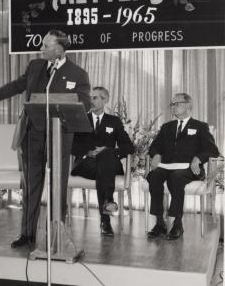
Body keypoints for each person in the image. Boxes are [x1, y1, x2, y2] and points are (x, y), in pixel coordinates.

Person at [0, 30, 91, 248]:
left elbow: (84, 102)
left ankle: (56, 235)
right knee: (31, 186)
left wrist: (62, 101)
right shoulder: (35, 66)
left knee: (58, 187)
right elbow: (17, 85)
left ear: (59, 50)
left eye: (46, 46)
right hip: (33, 134)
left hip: (60, 136)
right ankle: (27, 234)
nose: (42, 49)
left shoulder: (77, 73)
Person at [146, 93, 219, 240]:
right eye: (172, 104)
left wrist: (198, 158)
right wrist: (157, 154)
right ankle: (160, 223)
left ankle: (177, 223)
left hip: (189, 168)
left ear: (188, 106)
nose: (173, 107)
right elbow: (154, 147)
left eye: (176, 104)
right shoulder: (167, 127)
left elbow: (213, 150)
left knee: (176, 177)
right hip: (167, 166)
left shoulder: (200, 126)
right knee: (154, 176)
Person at [71, 87, 134, 236]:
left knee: (105, 157)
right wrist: (88, 152)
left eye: (95, 98)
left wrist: (111, 151)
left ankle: (105, 220)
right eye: (90, 97)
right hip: (86, 164)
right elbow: (72, 146)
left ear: (105, 100)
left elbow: (128, 147)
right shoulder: (81, 119)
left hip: (109, 164)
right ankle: (108, 204)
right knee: (104, 165)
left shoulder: (114, 121)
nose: (91, 101)